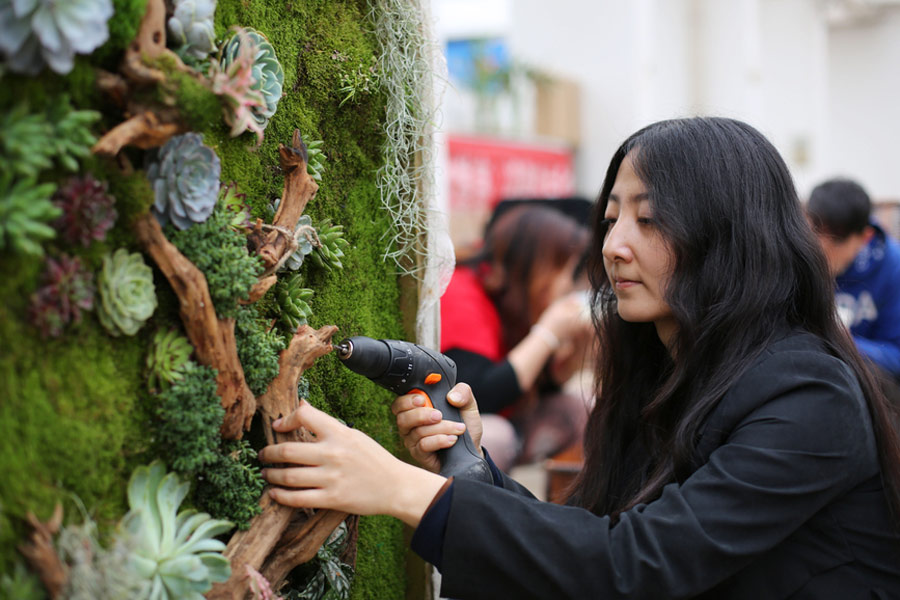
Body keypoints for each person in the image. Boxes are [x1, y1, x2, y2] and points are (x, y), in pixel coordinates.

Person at [259, 117, 900, 599]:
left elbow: (636, 567)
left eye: (649, 221)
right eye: (612, 218)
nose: (613, 246)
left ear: (729, 241)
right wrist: (471, 469)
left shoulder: (809, 395)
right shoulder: (674, 377)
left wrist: (402, 488)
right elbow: (587, 545)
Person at [440, 203, 594, 470]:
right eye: (566, 271)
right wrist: (548, 332)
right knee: (496, 435)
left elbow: (533, 391)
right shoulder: (463, 291)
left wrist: (574, 357)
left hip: (509, 424)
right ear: (537, 267)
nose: (570, 285)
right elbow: (478, 397)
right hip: (456, 428)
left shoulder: (516, 303)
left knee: (582, 405)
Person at [806, 178, 900, 383]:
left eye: (836, 242)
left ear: (865, 236)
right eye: (815, 236)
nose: (823, 251)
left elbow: (896, 357)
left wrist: (847, 343)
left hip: (870, 383)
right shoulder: (800, 257)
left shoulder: (893, 267)